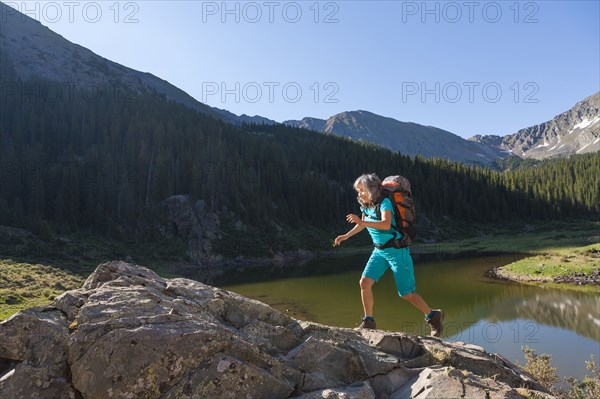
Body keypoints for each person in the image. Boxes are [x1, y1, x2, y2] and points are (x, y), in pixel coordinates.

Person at [334, 173, 444, 337]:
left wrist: (362, 222)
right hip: (379, 251)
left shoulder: (385, 203)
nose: (360, 194)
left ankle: (433, 316)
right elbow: (362, 224)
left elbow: (385, 225)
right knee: (364, 283)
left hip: (397, 251)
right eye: (358, 191)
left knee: (406, 293)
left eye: (362, 190)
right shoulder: (366, 205)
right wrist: (346, 236)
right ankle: (369, 321)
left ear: (371, 189)